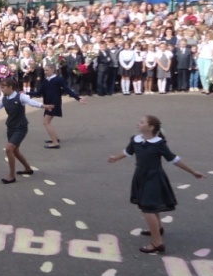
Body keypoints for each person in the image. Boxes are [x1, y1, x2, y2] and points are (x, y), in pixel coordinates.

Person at [107, 115, 203, 253]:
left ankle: (157, 242)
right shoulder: (135, 140)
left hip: (154, 176)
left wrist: (193, 172)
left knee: (148, 208)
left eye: (141, 122)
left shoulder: (159, 143)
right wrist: (115, 158)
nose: (138, 123)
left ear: (151, 127)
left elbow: (174, 159)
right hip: (140, 175)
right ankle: (158, 228)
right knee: (150, 205)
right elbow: (127, 152)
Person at [0, 77, 53, 184]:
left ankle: (11, 176)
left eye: (3, 87)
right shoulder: (4, 99)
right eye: (0, 87)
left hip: (21, 127)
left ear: (10, 87)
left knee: (9, 148)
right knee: (15, 151)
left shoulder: (20, 97)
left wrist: (43, 106)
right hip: (11, 126)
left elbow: (31, 102)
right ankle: (28, 169)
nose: (1, 89)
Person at [33, 64, 86, 149]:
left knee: (46, 122)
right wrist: (26, 94)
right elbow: (39, 93)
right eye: (44, 70)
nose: (45, 72)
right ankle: (55, 138)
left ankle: (55, 143)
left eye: (47, 70)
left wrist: (78, 98)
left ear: (53, 70)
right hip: (48, 104)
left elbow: (67, 89)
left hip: (54, 104)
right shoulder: (46, 80)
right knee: (47, 122)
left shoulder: (58, 79)